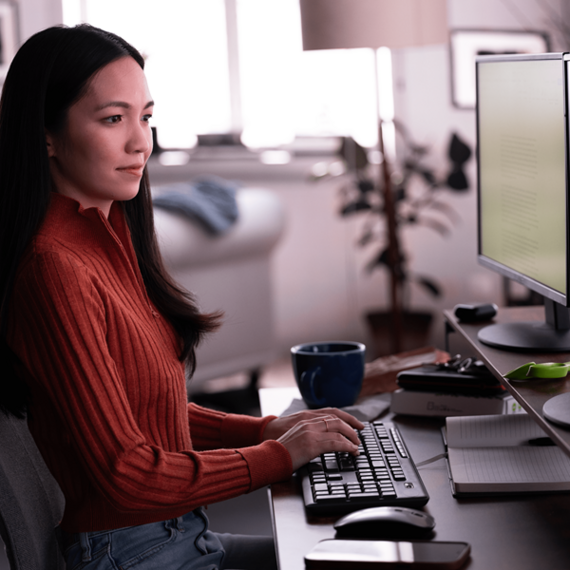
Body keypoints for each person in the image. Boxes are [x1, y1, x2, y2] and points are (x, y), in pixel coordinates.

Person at [0, 24, 365, 570]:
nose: (140, 141)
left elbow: (148, 411)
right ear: (46, 135)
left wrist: (265, 428)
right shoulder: (55, 267)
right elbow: (127, 472)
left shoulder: (109, 236)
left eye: (145, 117)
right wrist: (277, 456)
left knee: (360, 556)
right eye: (112, 119)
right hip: (132, 552)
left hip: (177, 537)